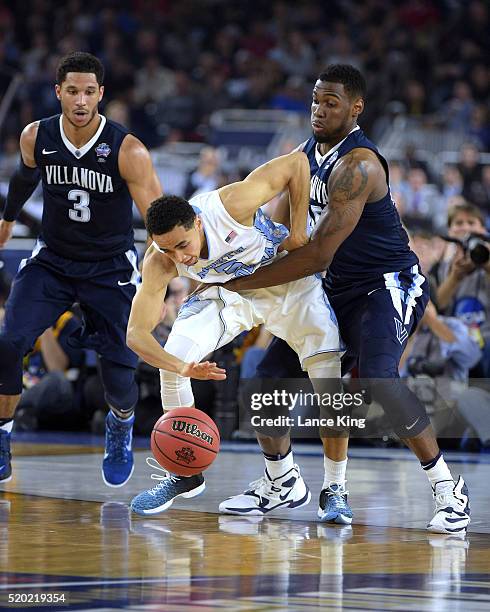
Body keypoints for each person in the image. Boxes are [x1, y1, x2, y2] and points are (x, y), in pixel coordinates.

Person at [214, 64, 470, 535]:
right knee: (267, 377)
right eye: (315, 99)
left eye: (331, 102)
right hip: (333, 287)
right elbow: (273, 224)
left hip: (385, 282)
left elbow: (317, 253)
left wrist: (242, 281)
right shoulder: (302, 154)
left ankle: (447, 488)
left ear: (356, 108)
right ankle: (280, 481)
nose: (319, 109)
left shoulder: (359, 166)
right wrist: (227, 252)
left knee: (376, 378)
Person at [127, 150, 350, 521]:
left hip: (285, 282)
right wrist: (184, 366)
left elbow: (296, 163)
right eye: (167, 248)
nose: (179, 258)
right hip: (229, 291)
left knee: (328, 379)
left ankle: (335, 488)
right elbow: (136, 335)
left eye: (182, 245)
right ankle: (184, 473)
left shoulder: (230, 204)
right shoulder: (160, 259)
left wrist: (297, 232)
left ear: (198, 223)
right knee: (171, 362)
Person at [0, 52, 163, 487]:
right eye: (72, 90)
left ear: (101, 95)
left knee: (120, 374)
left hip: (109, 268)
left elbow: (161, 220)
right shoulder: (37, 136)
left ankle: (120, 425)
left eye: (89, 91)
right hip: (52, 259)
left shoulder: (129, 150)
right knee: (8, 341)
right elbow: (23, 176)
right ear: (58, 92)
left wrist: (170, 276)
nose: (80, 100)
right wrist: (7, 217)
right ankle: (1, 437)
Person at [432, 202, 490, 378]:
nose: (465, 227)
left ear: (483, 229)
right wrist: (455, 277)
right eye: (458, 223)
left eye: (471, 223)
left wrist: (487, 264)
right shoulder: (441, 267)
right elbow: (437, 306)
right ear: (450, 232)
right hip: (454, 343)